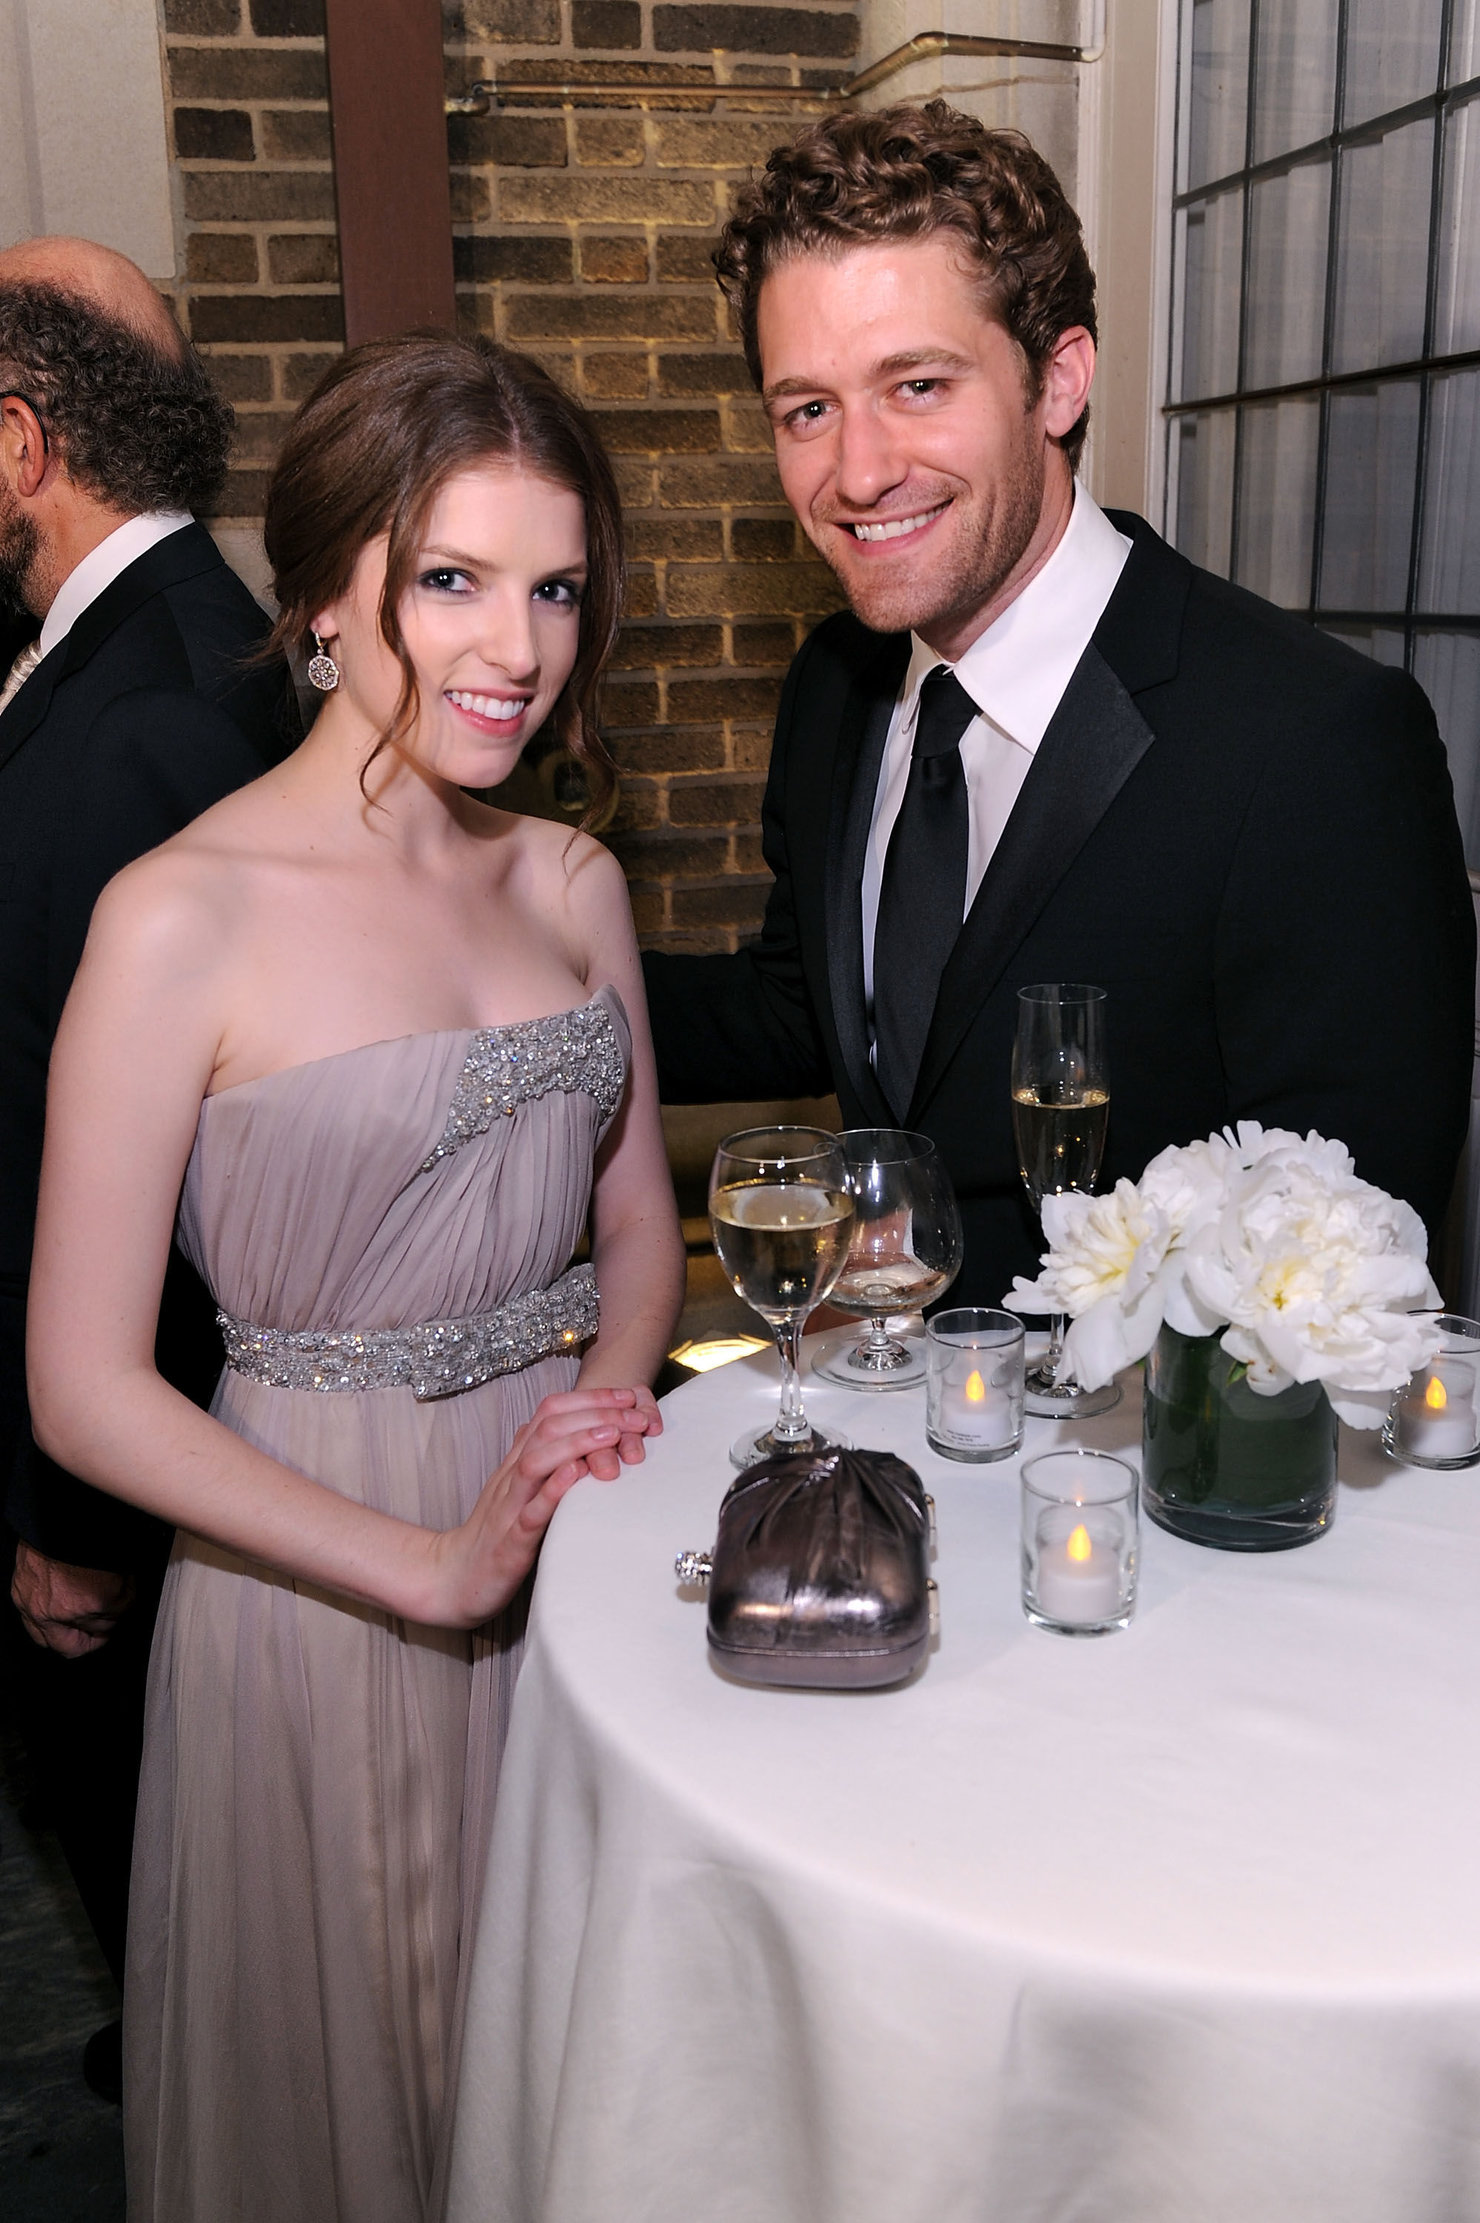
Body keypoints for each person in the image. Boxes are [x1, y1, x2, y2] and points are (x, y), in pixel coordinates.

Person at [26, 331, 686, 2220]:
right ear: (323, 601)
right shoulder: (180, 914)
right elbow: (82, 1381)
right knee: (371, 2064)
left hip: (574, 1536)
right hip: (319, 1569)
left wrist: (600, 1410)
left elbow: (633, 1220)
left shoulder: (570, 881)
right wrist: (430, 1560)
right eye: (452, 582)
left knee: (568, 2055)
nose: (518, 648)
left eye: (554, 587)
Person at [642, 102, 1476, 1303]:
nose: (857, 471)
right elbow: (805, 1011)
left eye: (917, 385)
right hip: (885, 1424)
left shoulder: (1309, 743)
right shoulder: (835, 687)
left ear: (1059, 381)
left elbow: (1353, 1238)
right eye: (806, 409)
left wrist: (960, 1276)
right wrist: (510, 974)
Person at [0, 236, 298, 2094]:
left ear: (21, 439)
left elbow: (132, 1149)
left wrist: (67, 1507)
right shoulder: (131, 640)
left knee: (135, 1821)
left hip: (109, 1450)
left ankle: (202, 2083)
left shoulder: (150, 708)